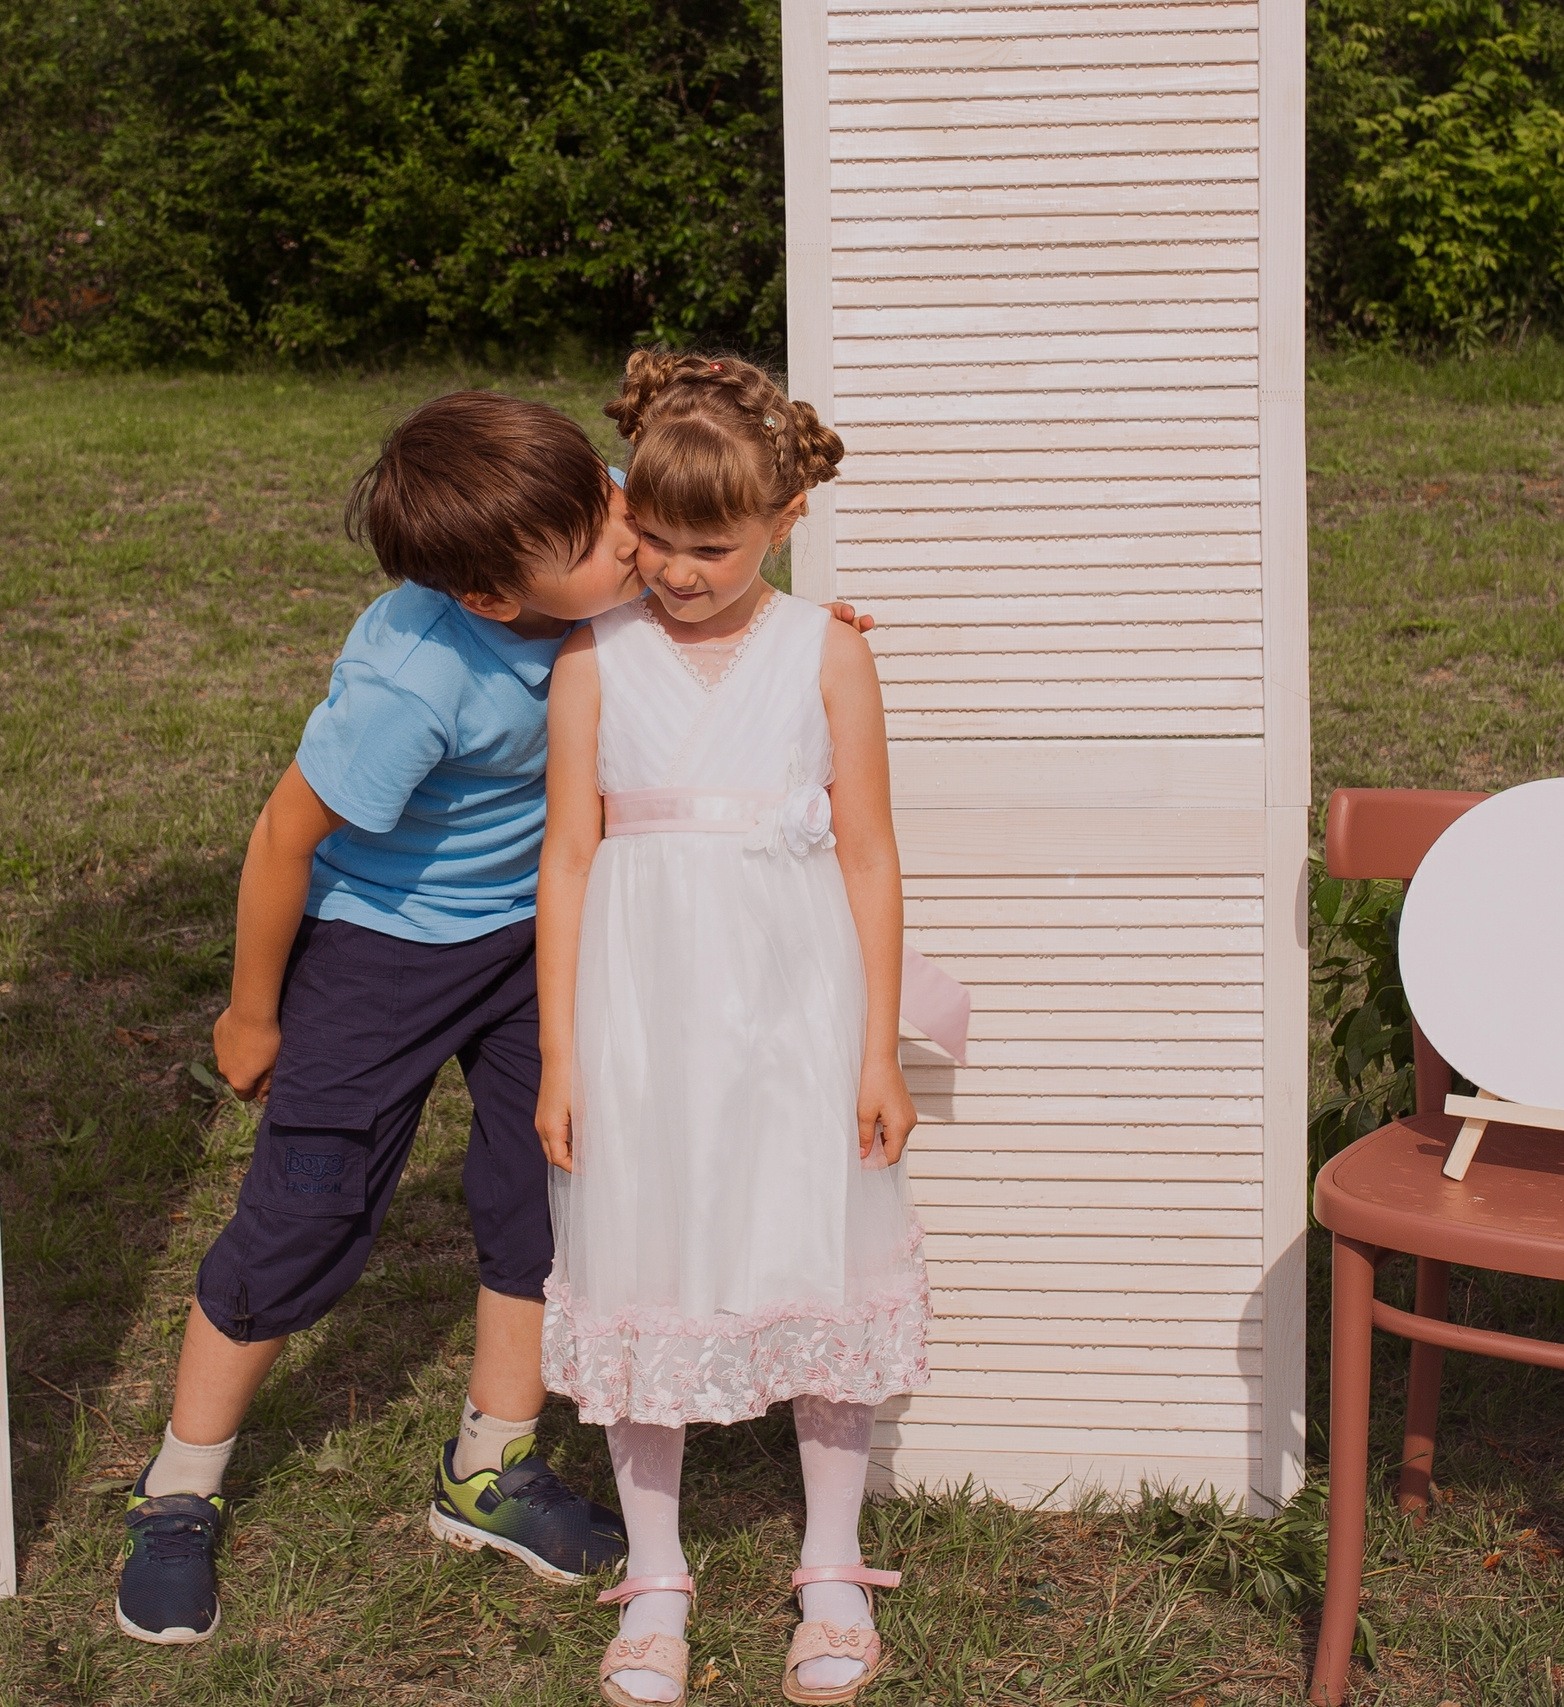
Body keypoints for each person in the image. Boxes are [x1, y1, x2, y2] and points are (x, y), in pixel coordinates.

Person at [116, 391, 640, 1645]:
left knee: (539, 1186)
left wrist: (807, 633)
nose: (628, 537)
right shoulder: (415, 680)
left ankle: (488, 1471)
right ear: (494, 600)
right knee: (305, 1209)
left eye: (609, 501)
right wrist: (253, 1013)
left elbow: (720, 541)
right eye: (595, 537)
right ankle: (177, 1491)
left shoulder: (593, 524)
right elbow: (284, 836)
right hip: (378, 952)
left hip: (530, 942)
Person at [533, 353, 931, 1707]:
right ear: (626, 506)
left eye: (718, 545)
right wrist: (564, 1052)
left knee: (816, 1245)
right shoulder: (593, 659)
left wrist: (876, 1045)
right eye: (658, 537)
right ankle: (654, 1574)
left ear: (785, 522)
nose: (684, 570)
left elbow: (870, 855)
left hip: (795, 1008)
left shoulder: (831, 652)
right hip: (637, 1010)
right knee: (641, 1255)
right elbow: (569, 861)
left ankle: (831, 1558)